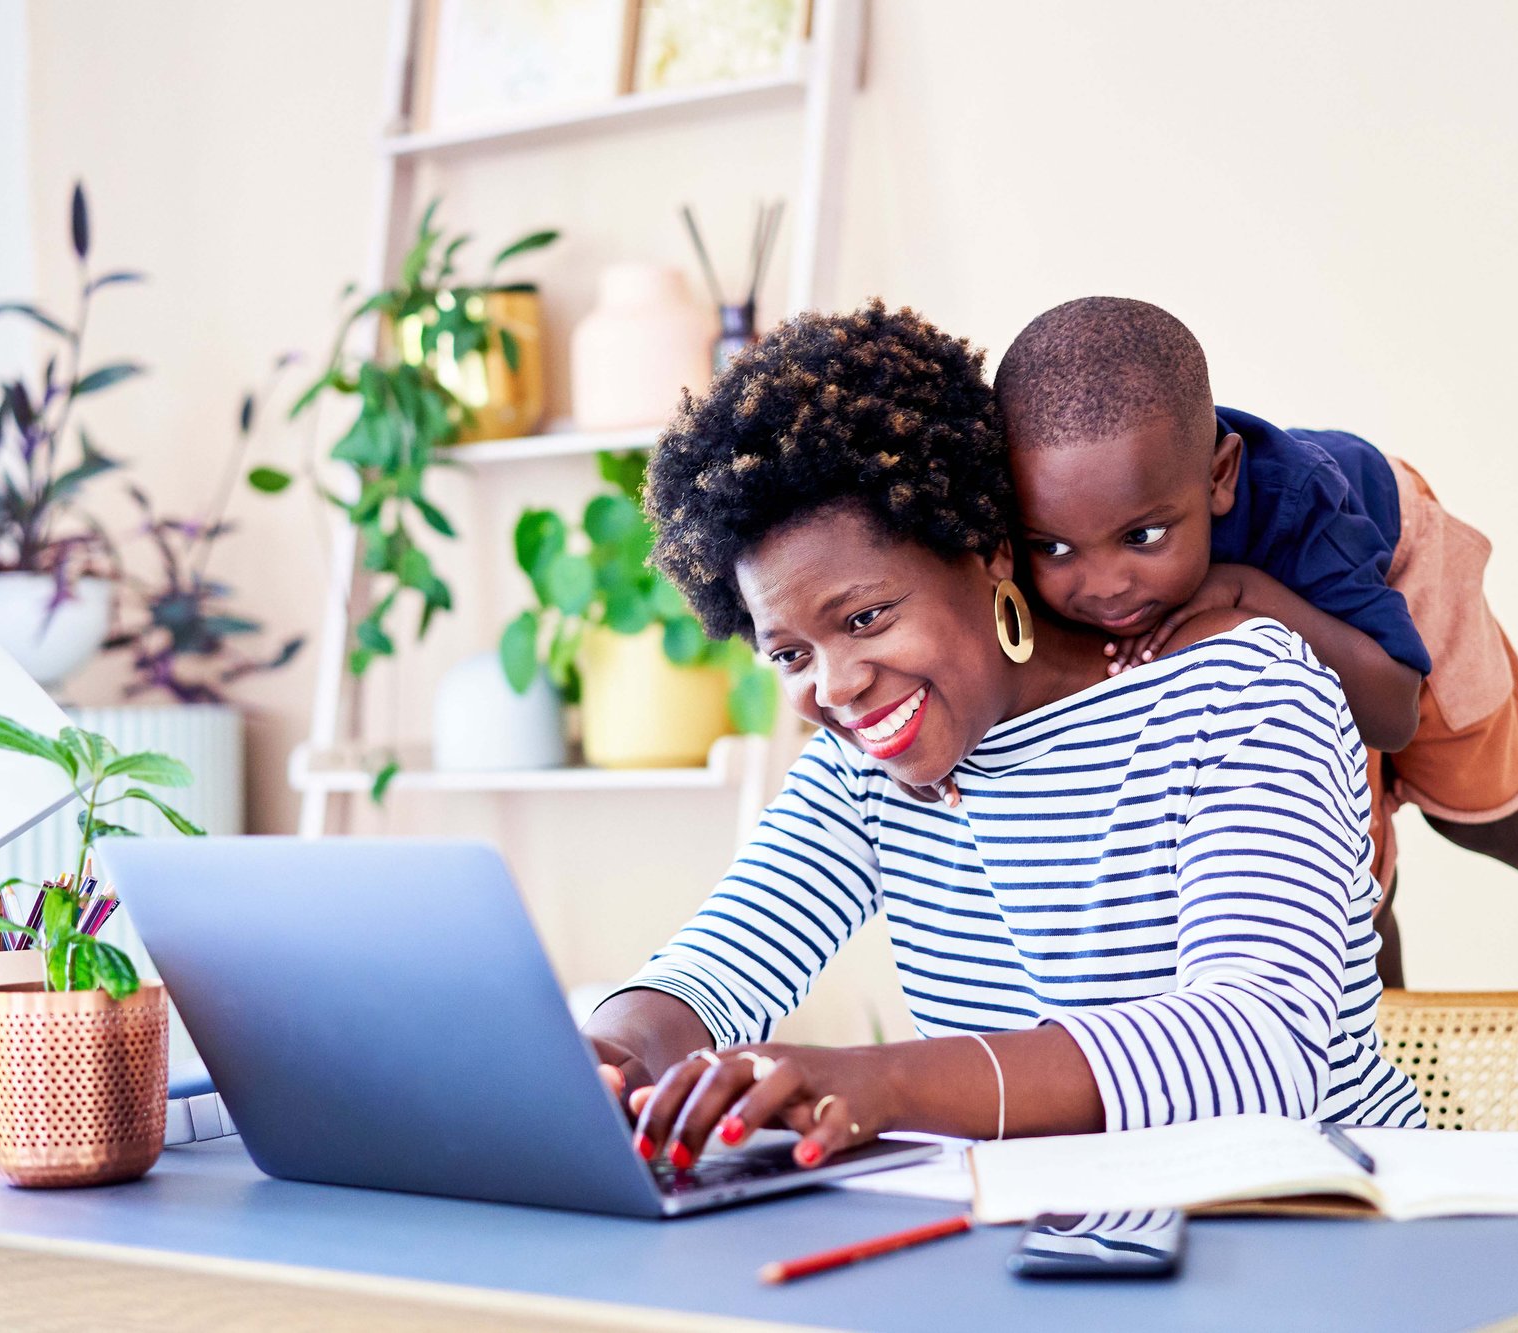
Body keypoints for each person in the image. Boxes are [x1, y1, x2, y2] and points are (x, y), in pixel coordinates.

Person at [584, 301, 1423, 1174]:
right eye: (791, 652)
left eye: (866, 617)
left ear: (984, 548)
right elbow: (717, 965)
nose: (834, 686)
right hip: (1060, 1244)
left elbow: (1258, 1046)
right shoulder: (865, 767)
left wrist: (890, 1084)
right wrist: (606, 1060)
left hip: (1321, 1217)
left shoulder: (1241, 690)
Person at [989, 297, 1518, 991]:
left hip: (1387, 569)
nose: (1105, 585)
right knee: (1337, 874)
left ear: (1219, 478)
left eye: (1142, 538)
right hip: (1275, 610)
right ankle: (1390, 1074)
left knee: (1473, 807)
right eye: (1053, 547)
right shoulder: (1044, 528)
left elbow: (1393, 711)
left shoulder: (1304, 507)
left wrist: (1250, 594)